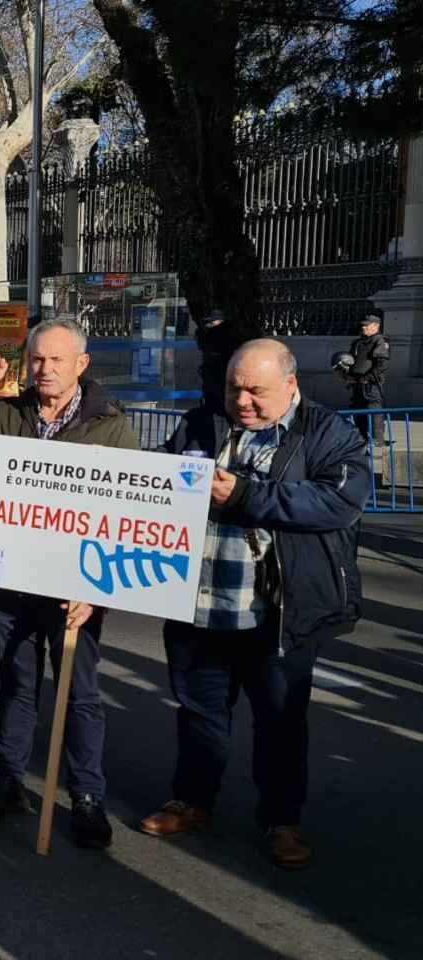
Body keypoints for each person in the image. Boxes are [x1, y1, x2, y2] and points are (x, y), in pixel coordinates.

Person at [142, 339, 367, 870]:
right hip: (200, 607)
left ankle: (282, 821)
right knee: (199, 714)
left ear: (290, 385)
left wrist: (243, 496)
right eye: (233, 389)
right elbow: (159, 475)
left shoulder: (329, 433)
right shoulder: (201, 424)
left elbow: (337, 502)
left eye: (255, 391)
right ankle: (192, 802)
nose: (241, 401)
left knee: (280, 725)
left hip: (278, 615)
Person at [0, 318, 137, 849]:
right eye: (37, 359)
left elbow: (125, 513)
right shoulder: (8, 412)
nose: (45, 369)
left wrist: (95, 590)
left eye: (57, 360)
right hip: (12, 581)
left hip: (75, 589)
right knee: (17, 685)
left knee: (80, 693)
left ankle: (86, 794)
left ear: (82, 365)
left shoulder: (110, 426)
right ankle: (7, 779)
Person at [339, 313, 389, 443]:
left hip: (371, 384)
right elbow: (351, 361)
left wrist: (368, 377)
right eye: (362, 325)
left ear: (376, 326)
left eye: (367, 325)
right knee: (357, 408)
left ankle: (377, 439)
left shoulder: (379, 341)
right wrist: (347, 374)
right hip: (357, 382)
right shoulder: (358, 342)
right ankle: (362, 437)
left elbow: (381, 364)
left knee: (373, 410)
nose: (363, 327)